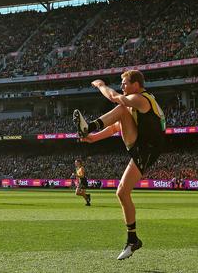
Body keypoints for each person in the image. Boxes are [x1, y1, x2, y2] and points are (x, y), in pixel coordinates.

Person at [73, 70, 165, 260]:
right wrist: (94, 138)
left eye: (124, 82)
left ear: (136, 85)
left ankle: (88, 126)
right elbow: (117, 126)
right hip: (142, 144)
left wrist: (100, 85)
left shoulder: (141, 99)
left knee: (121, 106)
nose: (122, 86)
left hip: (147, 148)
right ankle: (133, 240)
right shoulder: (134, 103)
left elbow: (114, 97)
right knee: (122, 193)